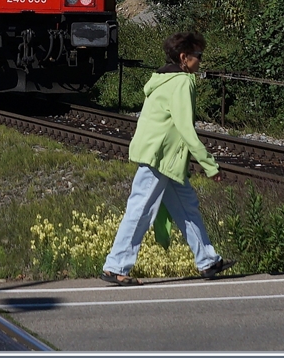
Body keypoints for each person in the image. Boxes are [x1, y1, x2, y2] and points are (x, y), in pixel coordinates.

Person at [100, 31, 235, 286]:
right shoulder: (183, 82)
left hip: (165, 157)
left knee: (187, 208)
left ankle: (207, 260)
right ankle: (115, 266)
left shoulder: (162, 78)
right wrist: (209, 164)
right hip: (160, 156)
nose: (200, 61)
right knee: (141, 210)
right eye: (198, 56)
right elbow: (186, 128)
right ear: (184, 57)